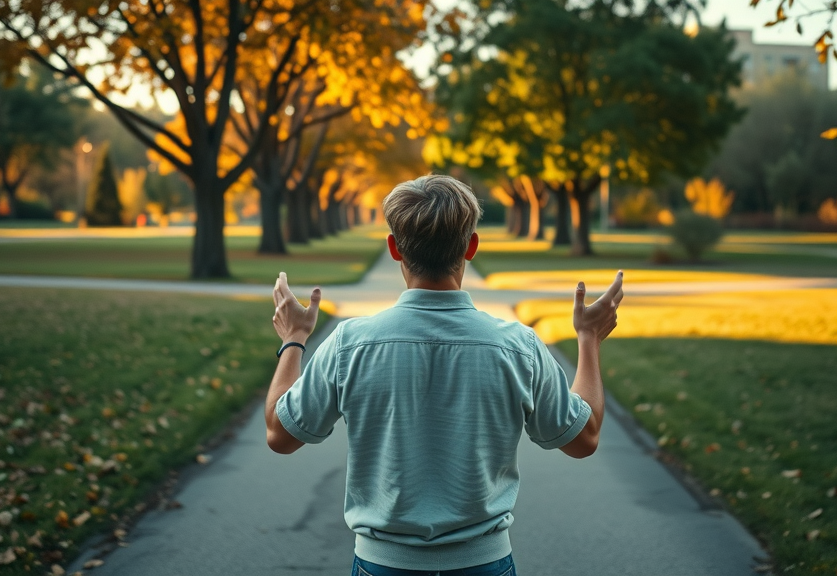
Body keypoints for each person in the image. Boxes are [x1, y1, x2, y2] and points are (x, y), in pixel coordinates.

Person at [265, 174, 624, 576]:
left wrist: (295, 337)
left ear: (394, 249)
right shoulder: (517, 345)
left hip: (382, 565)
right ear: (471, 246)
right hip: (484, 563)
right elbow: (584, 438)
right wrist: (589, 337)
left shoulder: (351, 342)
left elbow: (280, 434)